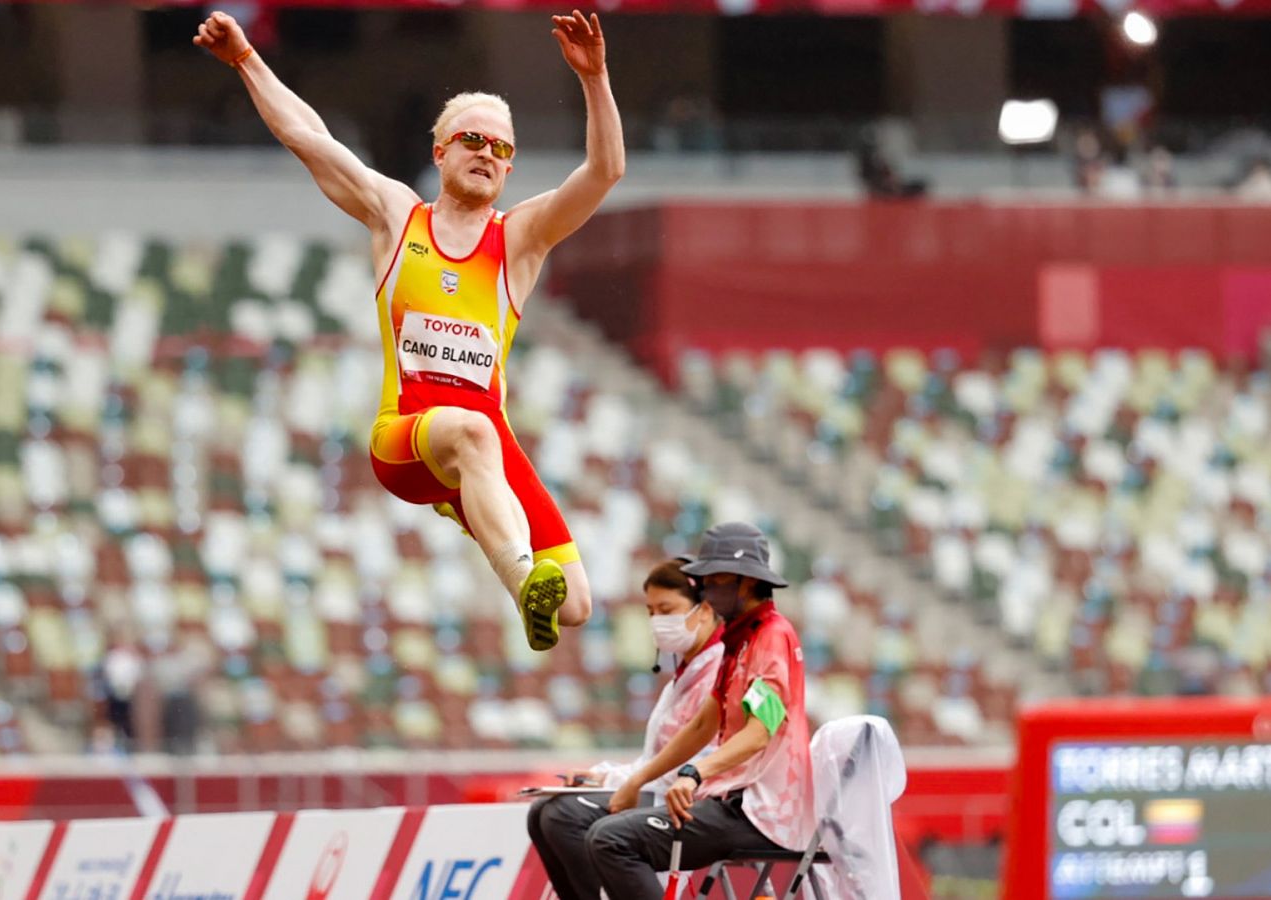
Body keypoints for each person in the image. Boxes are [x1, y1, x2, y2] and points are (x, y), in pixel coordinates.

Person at [196, 8, 624, 650]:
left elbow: (604, 172)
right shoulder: (398, 217)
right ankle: (518, 577)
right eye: (473, 140)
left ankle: (504, 546)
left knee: (579, 607)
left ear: (510, 170)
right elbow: (309, 138)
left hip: (480, 443)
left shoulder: (520, 240)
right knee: (476, 433)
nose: (486, 154)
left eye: (500, 148)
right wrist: (247, 61)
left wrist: (595, 78)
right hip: (405, 437)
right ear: (440, 150)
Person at [584, 522, 813, 899]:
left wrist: (693, 774)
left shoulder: (771, 637)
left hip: (760, 812)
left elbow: (760, 731)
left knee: (612, 840)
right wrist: (636, 781)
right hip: (732, 802)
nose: (706, 590)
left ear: (747, 581)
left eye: (716, 578)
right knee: (606, 834)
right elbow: (702, 725)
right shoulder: (739, 640)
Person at [527, 557, 725, 900]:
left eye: (667, 609)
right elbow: (654, 759)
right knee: (540, 812)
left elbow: (685, 767)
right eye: (650, 612)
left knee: (564, 816)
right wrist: (602, 777)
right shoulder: (684, 676)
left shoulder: (718, 669)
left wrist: (624, 782)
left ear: (705, 609)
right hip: (658, 789)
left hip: (693, 799)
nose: (658, 622)